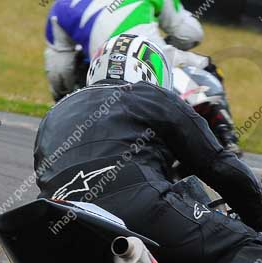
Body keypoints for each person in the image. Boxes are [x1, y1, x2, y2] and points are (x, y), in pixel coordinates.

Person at [33, 34, 262, 263]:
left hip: (61, 224)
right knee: (252, 247)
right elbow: (219, 166)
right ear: (154, 74)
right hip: (136, 205)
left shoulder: (54, 115)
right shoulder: (150, 96)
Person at [43, 0, 241, 152]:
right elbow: (190, 33)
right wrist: (167, 41)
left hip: (107, 85)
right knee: (206, 67)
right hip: (160, 66)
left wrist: (64, 99)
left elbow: (59, 72)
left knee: (80, 70)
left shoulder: (61, 7)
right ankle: (225, 135)